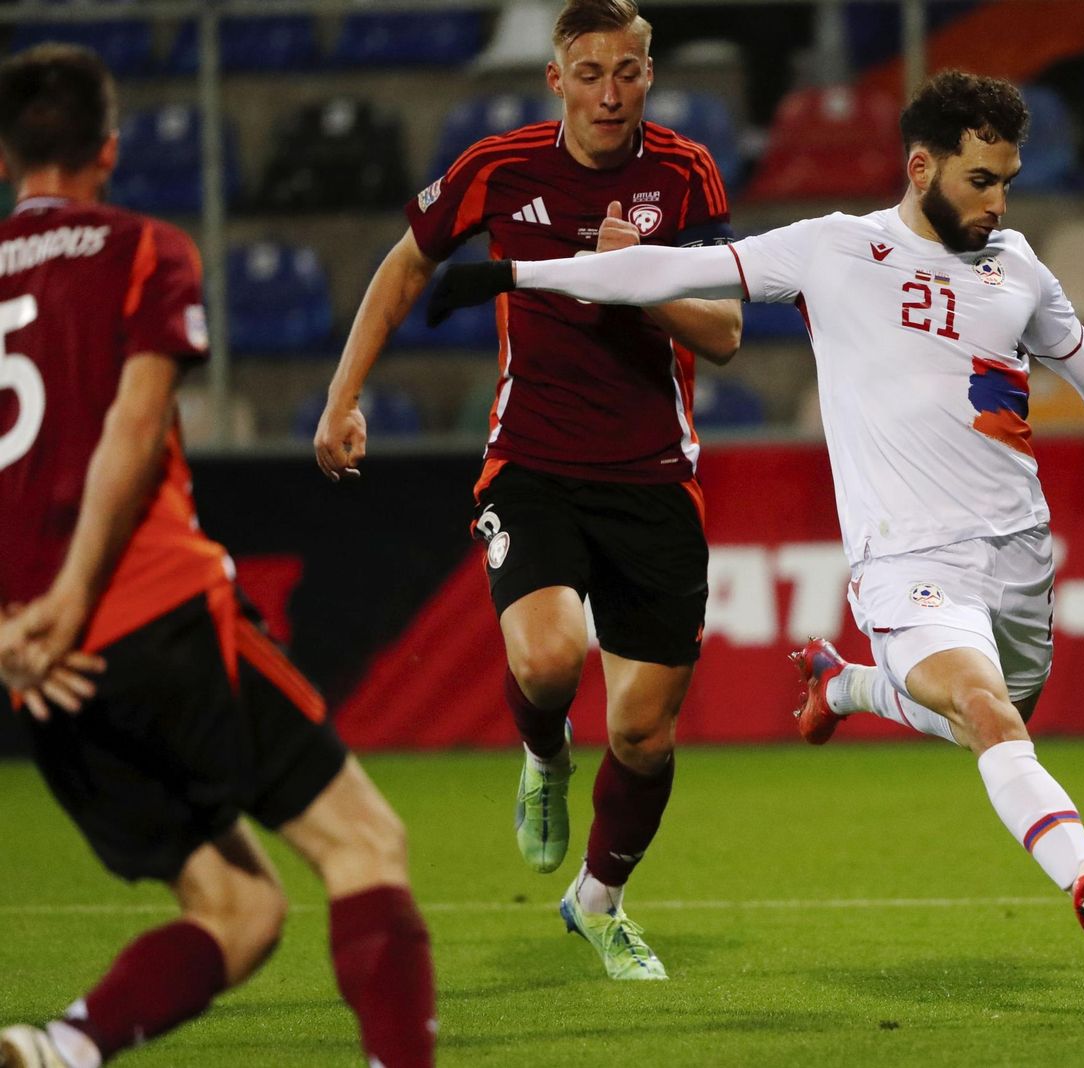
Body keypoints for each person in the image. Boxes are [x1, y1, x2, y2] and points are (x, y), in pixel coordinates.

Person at [427, 70, 1084, 975]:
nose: (997, 201)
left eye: (1008, 182)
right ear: (921, 167)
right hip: (907, 561)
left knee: (995, 717)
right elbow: (670, 268)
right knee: (988, 714)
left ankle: (847, 688)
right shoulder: (833, 250)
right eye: (980, 180)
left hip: (1021, 555)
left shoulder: (1018, 267)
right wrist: (515, 273)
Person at [0, 45, 435, 1068]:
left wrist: (16, 635)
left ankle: (58, 1047)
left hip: (43, 679)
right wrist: (71, 596)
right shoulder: (145, 251)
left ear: (10, 152)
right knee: (364, 845)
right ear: (110, 148)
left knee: (237, 907)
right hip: (153, 615)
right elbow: (134, 426)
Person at [314, 0, 741, 981]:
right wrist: (343, 396)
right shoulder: (497, 166)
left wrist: (633, 276)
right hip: (534, 464)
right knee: (550, 660)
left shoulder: (685, 172)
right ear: (556, 78)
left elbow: (720, 333)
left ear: (649, 73)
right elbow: (407, 263)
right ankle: (544, 760)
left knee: (642, 732)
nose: (609, 92)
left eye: (628, 71)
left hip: (655, 480)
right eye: (589, 72)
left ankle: (598, 903)